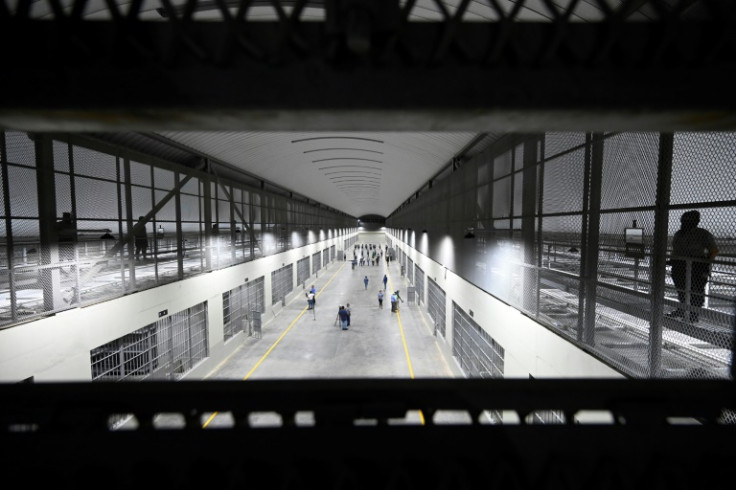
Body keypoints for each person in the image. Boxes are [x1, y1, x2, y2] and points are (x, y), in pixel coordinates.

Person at [667, 210, 718, 323]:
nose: (684, 223)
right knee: (682, 290)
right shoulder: (679, 234)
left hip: (697, 266)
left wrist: (706, 263)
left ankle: (693, 315)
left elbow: (713, 250)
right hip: (680, 265)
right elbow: (676, 250)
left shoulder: (702, 234)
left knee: (696, 291)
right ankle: (683, 310)